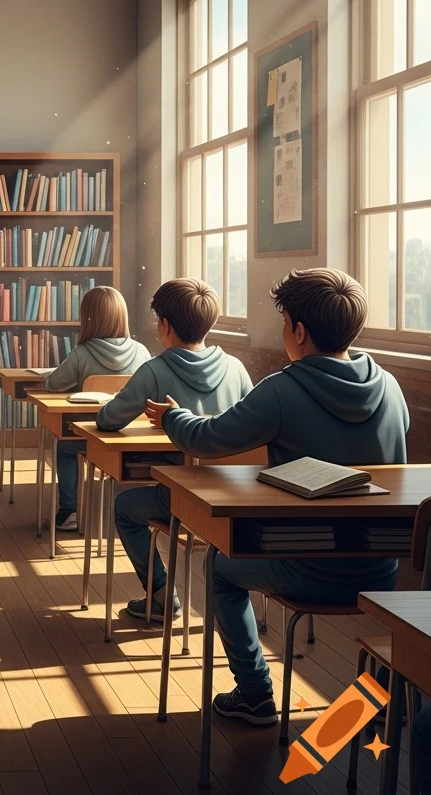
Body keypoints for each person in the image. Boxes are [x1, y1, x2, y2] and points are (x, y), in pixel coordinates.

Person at [147, 268, 408, 725]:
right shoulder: (390, 386)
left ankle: (255, 693)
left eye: (285, 321)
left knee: (219, 568)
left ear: (299, 331)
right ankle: (384, 694)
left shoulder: (284, 390)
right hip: (385, 572)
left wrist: (173, 418)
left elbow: (208, 440)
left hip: (309, 568)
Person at [106, 278, 253, 621]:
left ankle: (161, 595)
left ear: (164, 325)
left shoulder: (154, 370)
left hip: (183, 498)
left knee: (125, 506)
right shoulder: (236, 368)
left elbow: (110, 418)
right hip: (235, 497)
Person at [42, 286, 150, 530]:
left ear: (88, 318)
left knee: (65, 448)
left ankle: (69, 511)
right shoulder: (142, 351)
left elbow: (53, 384)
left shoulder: (82, 353)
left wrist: (51, 374)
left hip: (91, 434)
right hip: (133, 435)